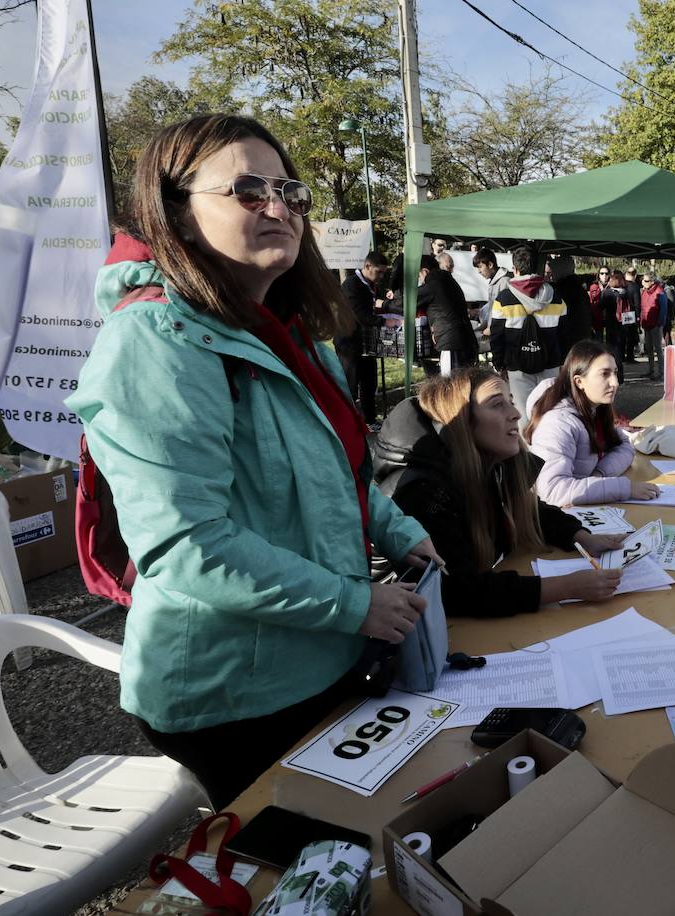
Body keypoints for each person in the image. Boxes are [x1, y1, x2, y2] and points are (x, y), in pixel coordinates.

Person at [67, 114, 443, 809]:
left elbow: (341, 472)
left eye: (289, 192)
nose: (279, 208)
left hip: (324, 653)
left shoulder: (289, 332)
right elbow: (188, 545)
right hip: (235, 689)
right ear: (176, 215)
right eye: (246, 191)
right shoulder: (156, 341)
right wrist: (355, 603)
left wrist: (397, 530)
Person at [372, 367, 624, 614]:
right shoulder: (422, 490)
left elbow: (530, 509)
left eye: (511, 401)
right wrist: (566, 587)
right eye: (496, 404)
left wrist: (580, 536)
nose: (515, 413)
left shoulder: (491, 462)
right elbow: (455, 589)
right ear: (461, 420)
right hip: (395, 637)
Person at [525, 340, 659, 506]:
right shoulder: (557, 424)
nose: (615, 383)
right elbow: (551, 490)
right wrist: (623, 488)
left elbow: (624, 445)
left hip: (588, 509)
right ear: (579, 381)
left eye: (615, 373)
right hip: (564, 520)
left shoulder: (595, 408)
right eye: (605, 374)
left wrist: (599, 474)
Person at [488, 243, 566, 425]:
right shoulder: (556, 298)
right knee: (550, 412)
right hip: (550, 364)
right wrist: (561, 361)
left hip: (517, 365)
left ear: (514, 269)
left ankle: (526, 451)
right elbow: (564, 335)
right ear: (538, 267)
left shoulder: (503, 299)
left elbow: (496, 336)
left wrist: (499, 364)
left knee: (522, 414)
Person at [334, 250, 388, 420]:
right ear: (367, 266)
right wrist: (385, 321)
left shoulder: (370, 285)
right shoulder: (351, 285)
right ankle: (346, 421)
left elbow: (372, 306)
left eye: (383, 273)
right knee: (350, 384)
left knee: (369, 383)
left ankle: (370, 419)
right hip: (348, 342)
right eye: (379, 272)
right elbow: (359, 314)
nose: (380, 276)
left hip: (366, 342)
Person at [417, 253, 477, 376]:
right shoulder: (449, 282)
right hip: (461, 341)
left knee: (451, 384)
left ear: (424, 271)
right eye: (448, 266)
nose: (450, 269)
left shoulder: (435, 284)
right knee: (462, 383)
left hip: (451, 342)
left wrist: (384, 304)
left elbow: (408, 302)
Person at [547, 254, 592, 354]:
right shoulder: (578, 288)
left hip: (569, 340)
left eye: (553, 271)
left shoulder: (563, 290)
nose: (551, 275)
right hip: (581, 338)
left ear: (560, 271)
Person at [472, 247, 510, 337]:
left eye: (480, 267)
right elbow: (492, 311)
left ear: (490, 265)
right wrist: (484, 325)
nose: (479, 271)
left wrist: (491, 328)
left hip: (502, 334)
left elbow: (505, 312)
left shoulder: (505, 282)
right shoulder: (493, 282)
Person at [638, 272, 667, 381]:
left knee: (658, 349)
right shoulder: (644, 291)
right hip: (647, 324)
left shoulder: (660, 292)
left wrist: (659, 324)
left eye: (645, 281)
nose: (643, 283)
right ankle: (651, 370)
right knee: (649, 348)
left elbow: (663, 310)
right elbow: (643, 307)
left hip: (655, 325)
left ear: (652, 282)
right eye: (643, 280)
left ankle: (661, 372)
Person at [599, 270, 627, 381]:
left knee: (612, 350)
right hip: (623, 324)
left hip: (612, 324)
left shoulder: (608, 293)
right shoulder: (626, 293)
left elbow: (600, 306)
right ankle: (621, 375)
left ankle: (616, 374)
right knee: (620, 348)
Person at [621, 268, 641, 363]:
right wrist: (638, 316)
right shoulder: (635, 287)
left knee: (623, 336)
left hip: (621, 313)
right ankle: (630, 356)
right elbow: (637, 303)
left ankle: (621, 356)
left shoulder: (621, 285)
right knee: (631, 336)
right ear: (635, 275)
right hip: (631, 313)